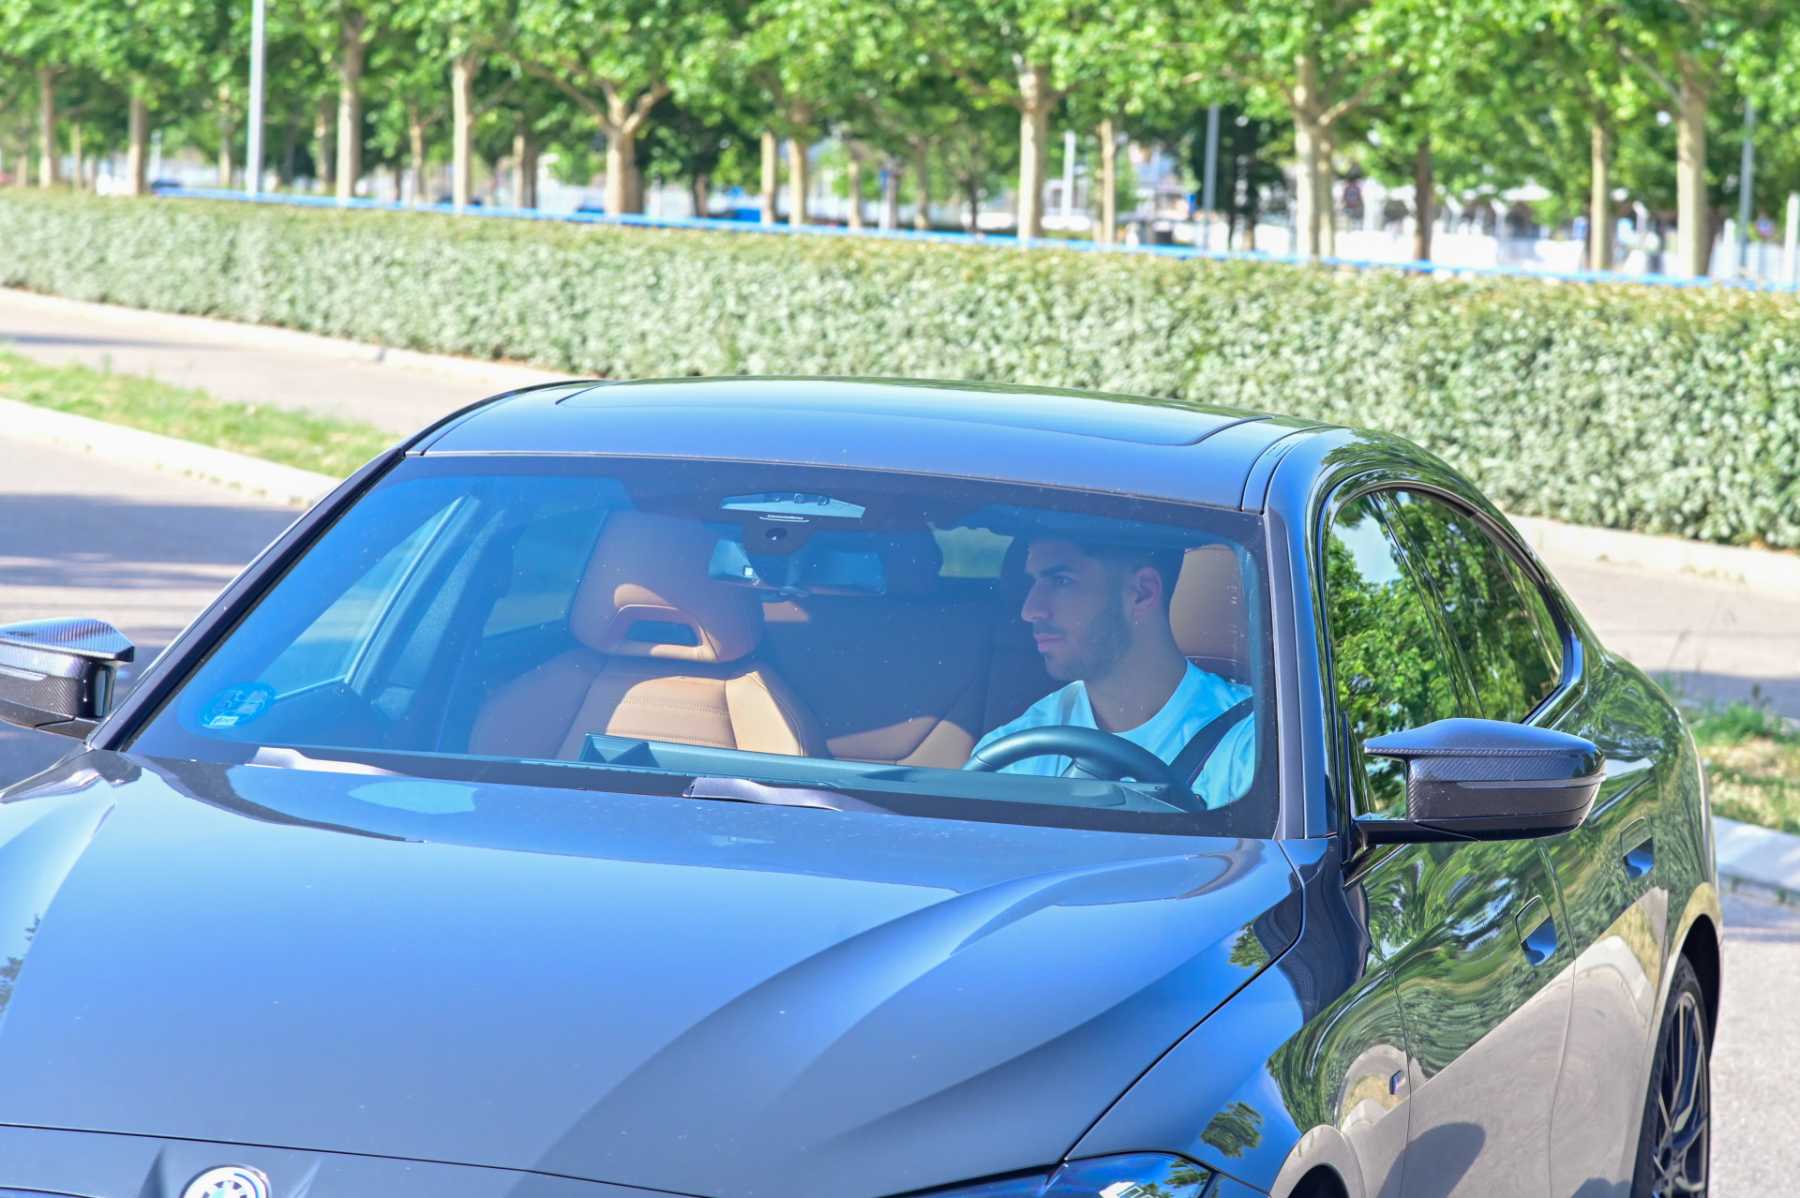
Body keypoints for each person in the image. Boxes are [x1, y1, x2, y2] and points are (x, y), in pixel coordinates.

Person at [968, 536, 1255, 809]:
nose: (1030, 610)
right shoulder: (1013, 751)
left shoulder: (1251, 744)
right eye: (1033, 583)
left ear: (1142, 592)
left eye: (1061, 581)